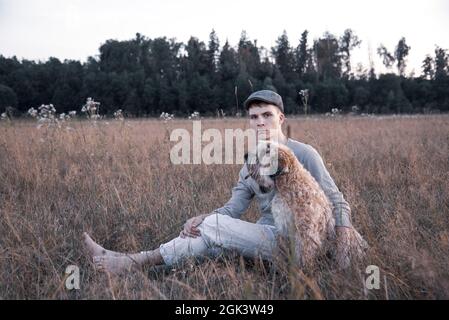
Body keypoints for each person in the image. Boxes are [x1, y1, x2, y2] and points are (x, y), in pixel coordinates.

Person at [84, 90, 356, 275]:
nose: (260, 122)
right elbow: (232, 210)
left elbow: (337, 201)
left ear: (281, 119)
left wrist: (343, 250)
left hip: (303, 243)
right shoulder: (250, 164)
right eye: (254, 117)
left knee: (212, 229)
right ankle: (129, 263)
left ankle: (131, 263)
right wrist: (203, 217)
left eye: (267, 115)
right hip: (270, 239)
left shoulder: (303, 153)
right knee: (207, 236)